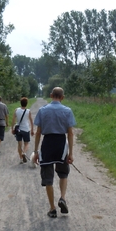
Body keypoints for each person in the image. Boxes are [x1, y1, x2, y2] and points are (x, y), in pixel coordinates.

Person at [33, 87, 76, 218]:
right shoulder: (67, 111)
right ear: (62, 97)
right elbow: (70, 133)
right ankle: (62, 197)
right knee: (63, 173)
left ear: (51, 95)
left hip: (47, 144)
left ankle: (52, 209)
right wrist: (71, 153)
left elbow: (38, 132)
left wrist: (35, 151)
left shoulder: (42, 110)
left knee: (48, 178)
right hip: (61, 145)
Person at [11, 97, 35, 164]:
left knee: (19, 144)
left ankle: (21, 159)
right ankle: (24, 153)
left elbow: (13, 120)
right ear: (26, 104)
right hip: (26, 129)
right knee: (26, 143)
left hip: (18, 129)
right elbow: (31, 121)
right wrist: (32, 129)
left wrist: (12, 128)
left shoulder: (16, 110)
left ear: (20, 103)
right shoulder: (28, 111)